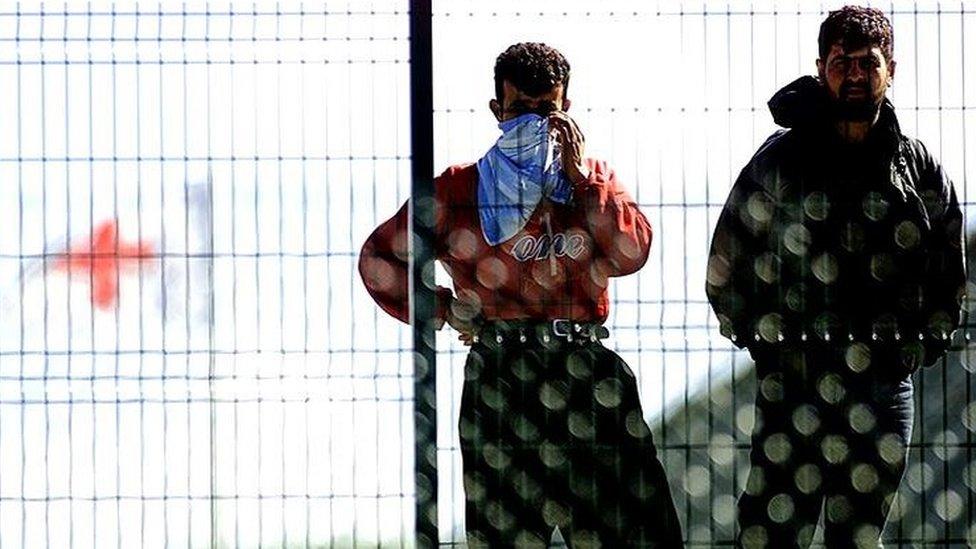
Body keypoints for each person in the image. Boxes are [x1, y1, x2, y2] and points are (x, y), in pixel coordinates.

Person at [360, 42, 683, 547]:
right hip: (502, 378)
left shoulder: (591, 181)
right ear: (497, 112)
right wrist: (442, 308)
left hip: (585, 371)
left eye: (547, 110)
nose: (535, 124)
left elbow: (631, 253)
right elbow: (380, 260)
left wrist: (580, 183)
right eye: (520, 111)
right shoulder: (460, 189)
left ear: (567, 110)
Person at [706, 6, 966, 548]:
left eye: (866, 63)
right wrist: (770, 347)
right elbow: (726, 264)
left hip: (883, 385)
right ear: (820, 66)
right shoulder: (779, 161)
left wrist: (913, 349)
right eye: (840, 61)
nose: (853, 74)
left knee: (857, 538)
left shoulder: (916, 166)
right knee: (773, 533)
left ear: (891, 69)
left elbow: (949, 276)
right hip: (797, 380)